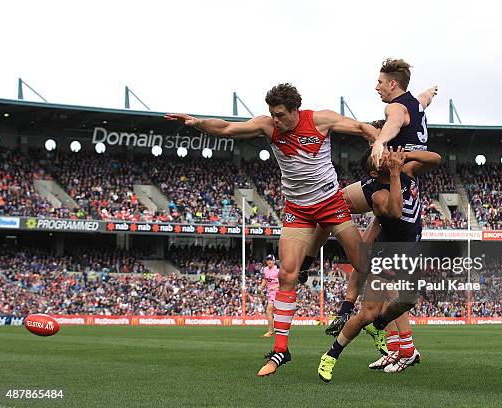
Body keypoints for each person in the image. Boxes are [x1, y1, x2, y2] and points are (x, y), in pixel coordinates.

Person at [165, 83, 378, 377]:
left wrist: (380, 143)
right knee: (286, 274)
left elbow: (363, 128)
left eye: (280, 114)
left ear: (295, 110)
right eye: (271, 114)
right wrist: (197, 122)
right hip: (297, 210)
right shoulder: (268, 127)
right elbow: (227, 128)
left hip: (331, 203)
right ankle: (280, 350)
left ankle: (381, 325)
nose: (275, 120)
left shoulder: (320, 120)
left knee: (363, 264)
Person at [318, 145, 441, 382]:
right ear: (375, 172)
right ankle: (331, 355)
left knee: (408, 299)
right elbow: (395, 211)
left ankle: (380, 324)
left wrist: (408, 156)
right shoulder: (378, 194)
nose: (385, 156)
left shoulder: (407, 170)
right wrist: (395, 172)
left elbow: (435, 158)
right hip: (388, 253)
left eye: (384, 153)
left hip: (411, 250)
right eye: (379, 158)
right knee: (366, 314)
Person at [259, 254, 279, 337]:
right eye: (268, 260)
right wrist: (261, 286)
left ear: (274, 261)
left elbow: (283, 282)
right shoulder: (265, 269)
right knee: (273, 311)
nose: (269, 261)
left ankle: (270, 332)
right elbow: (265, 280)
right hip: (269, 293)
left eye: (270, 260)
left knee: (269, 310)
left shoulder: (278, 270)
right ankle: (273, 331)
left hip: (277, 292)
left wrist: (274, 287)